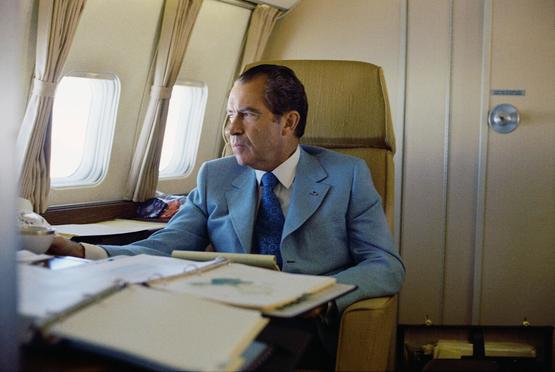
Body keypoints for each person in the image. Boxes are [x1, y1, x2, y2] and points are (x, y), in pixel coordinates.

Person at [48, 64, 405, 367]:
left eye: (247, 115)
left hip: (298, 324)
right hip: (218, 311)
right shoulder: (215, 175)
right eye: (229, 115)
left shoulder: (347, 175)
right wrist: (83, 252)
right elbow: (165, 247)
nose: (232, 129)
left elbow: (384, 264)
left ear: (288, 122)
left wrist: (321, 298)